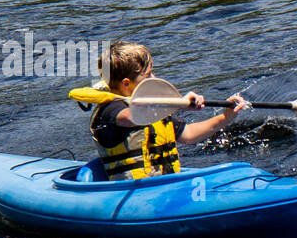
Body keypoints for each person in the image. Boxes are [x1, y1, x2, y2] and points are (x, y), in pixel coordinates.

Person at [87, 41, 247, 181]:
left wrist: (226, 116)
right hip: (133, 192)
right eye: (148, 75)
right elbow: (130, 117)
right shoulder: (110, 110)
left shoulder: (153, 107)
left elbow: (189, 135)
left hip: (165, 185)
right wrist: (176, 104)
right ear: (126, 84)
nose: (154, 78)